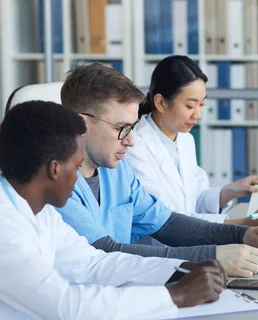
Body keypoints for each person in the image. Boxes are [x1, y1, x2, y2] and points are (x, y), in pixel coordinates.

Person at [0, 101, 228, 319]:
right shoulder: (5, 226)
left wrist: (179, 269)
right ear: (55, 169)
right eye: (77, 167)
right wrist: (176, 295)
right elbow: (67, 306)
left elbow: (93, 264)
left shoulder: (41, 210)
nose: (78, 178)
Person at [56, 63, 258, 278]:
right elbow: (104, 252)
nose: (131, 140)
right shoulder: (55, 183)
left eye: (132, 127)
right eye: (121, 128)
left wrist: (243, 235)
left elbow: (165, 222)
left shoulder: (116, 170)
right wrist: (212, 257)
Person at [126, 55, 258, 227]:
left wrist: (230, 191)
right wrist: (244, 224)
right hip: (159, 249)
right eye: (190, 106)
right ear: (161, 102)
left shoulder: (185, 140)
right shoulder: (134, 147)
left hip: (189, 244)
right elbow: (167, 220)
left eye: (202, 105)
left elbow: (195, 199)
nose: (197, 115)